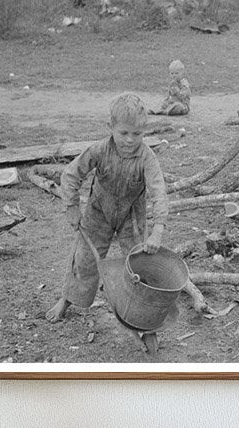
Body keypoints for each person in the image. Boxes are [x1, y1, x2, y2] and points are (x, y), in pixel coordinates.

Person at [45, 92, 169, 323]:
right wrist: (71, 207)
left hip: (131, 216)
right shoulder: (99, 150)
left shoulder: (147, 158)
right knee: (84, 259)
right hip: (99, 212)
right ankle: (67, 298)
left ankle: (135, 308)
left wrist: (158, 229)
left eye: (137, 134)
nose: (130, 140)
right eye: (123, 133)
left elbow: (158, 191)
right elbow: (71, 175)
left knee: (137, 263)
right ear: (110, 127)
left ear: (144, 131)